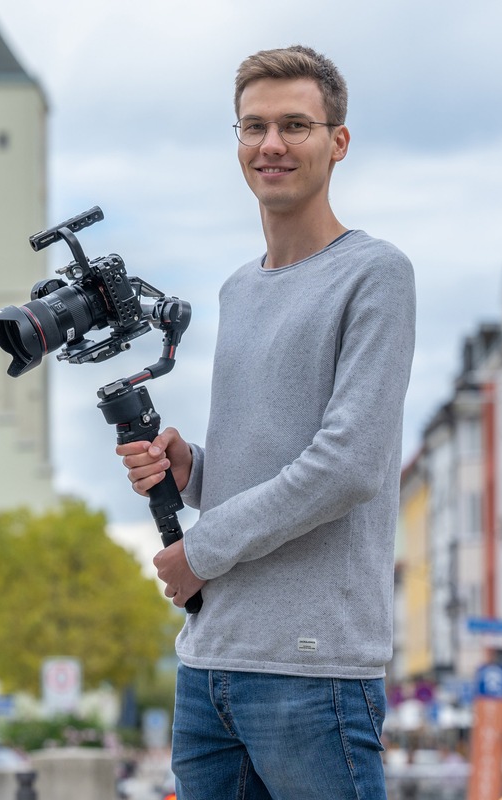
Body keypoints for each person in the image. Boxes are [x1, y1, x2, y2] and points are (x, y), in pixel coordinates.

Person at [117, 46, 414, 798]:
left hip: (312, 673)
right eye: (254, 127)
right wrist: (196, 472)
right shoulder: (237, 290)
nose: (271, 144)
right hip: (208, 664)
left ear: (337, 142)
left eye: (294, 125)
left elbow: (347, 465)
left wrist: (200, 552)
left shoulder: (375, 274)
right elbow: (273, 463)